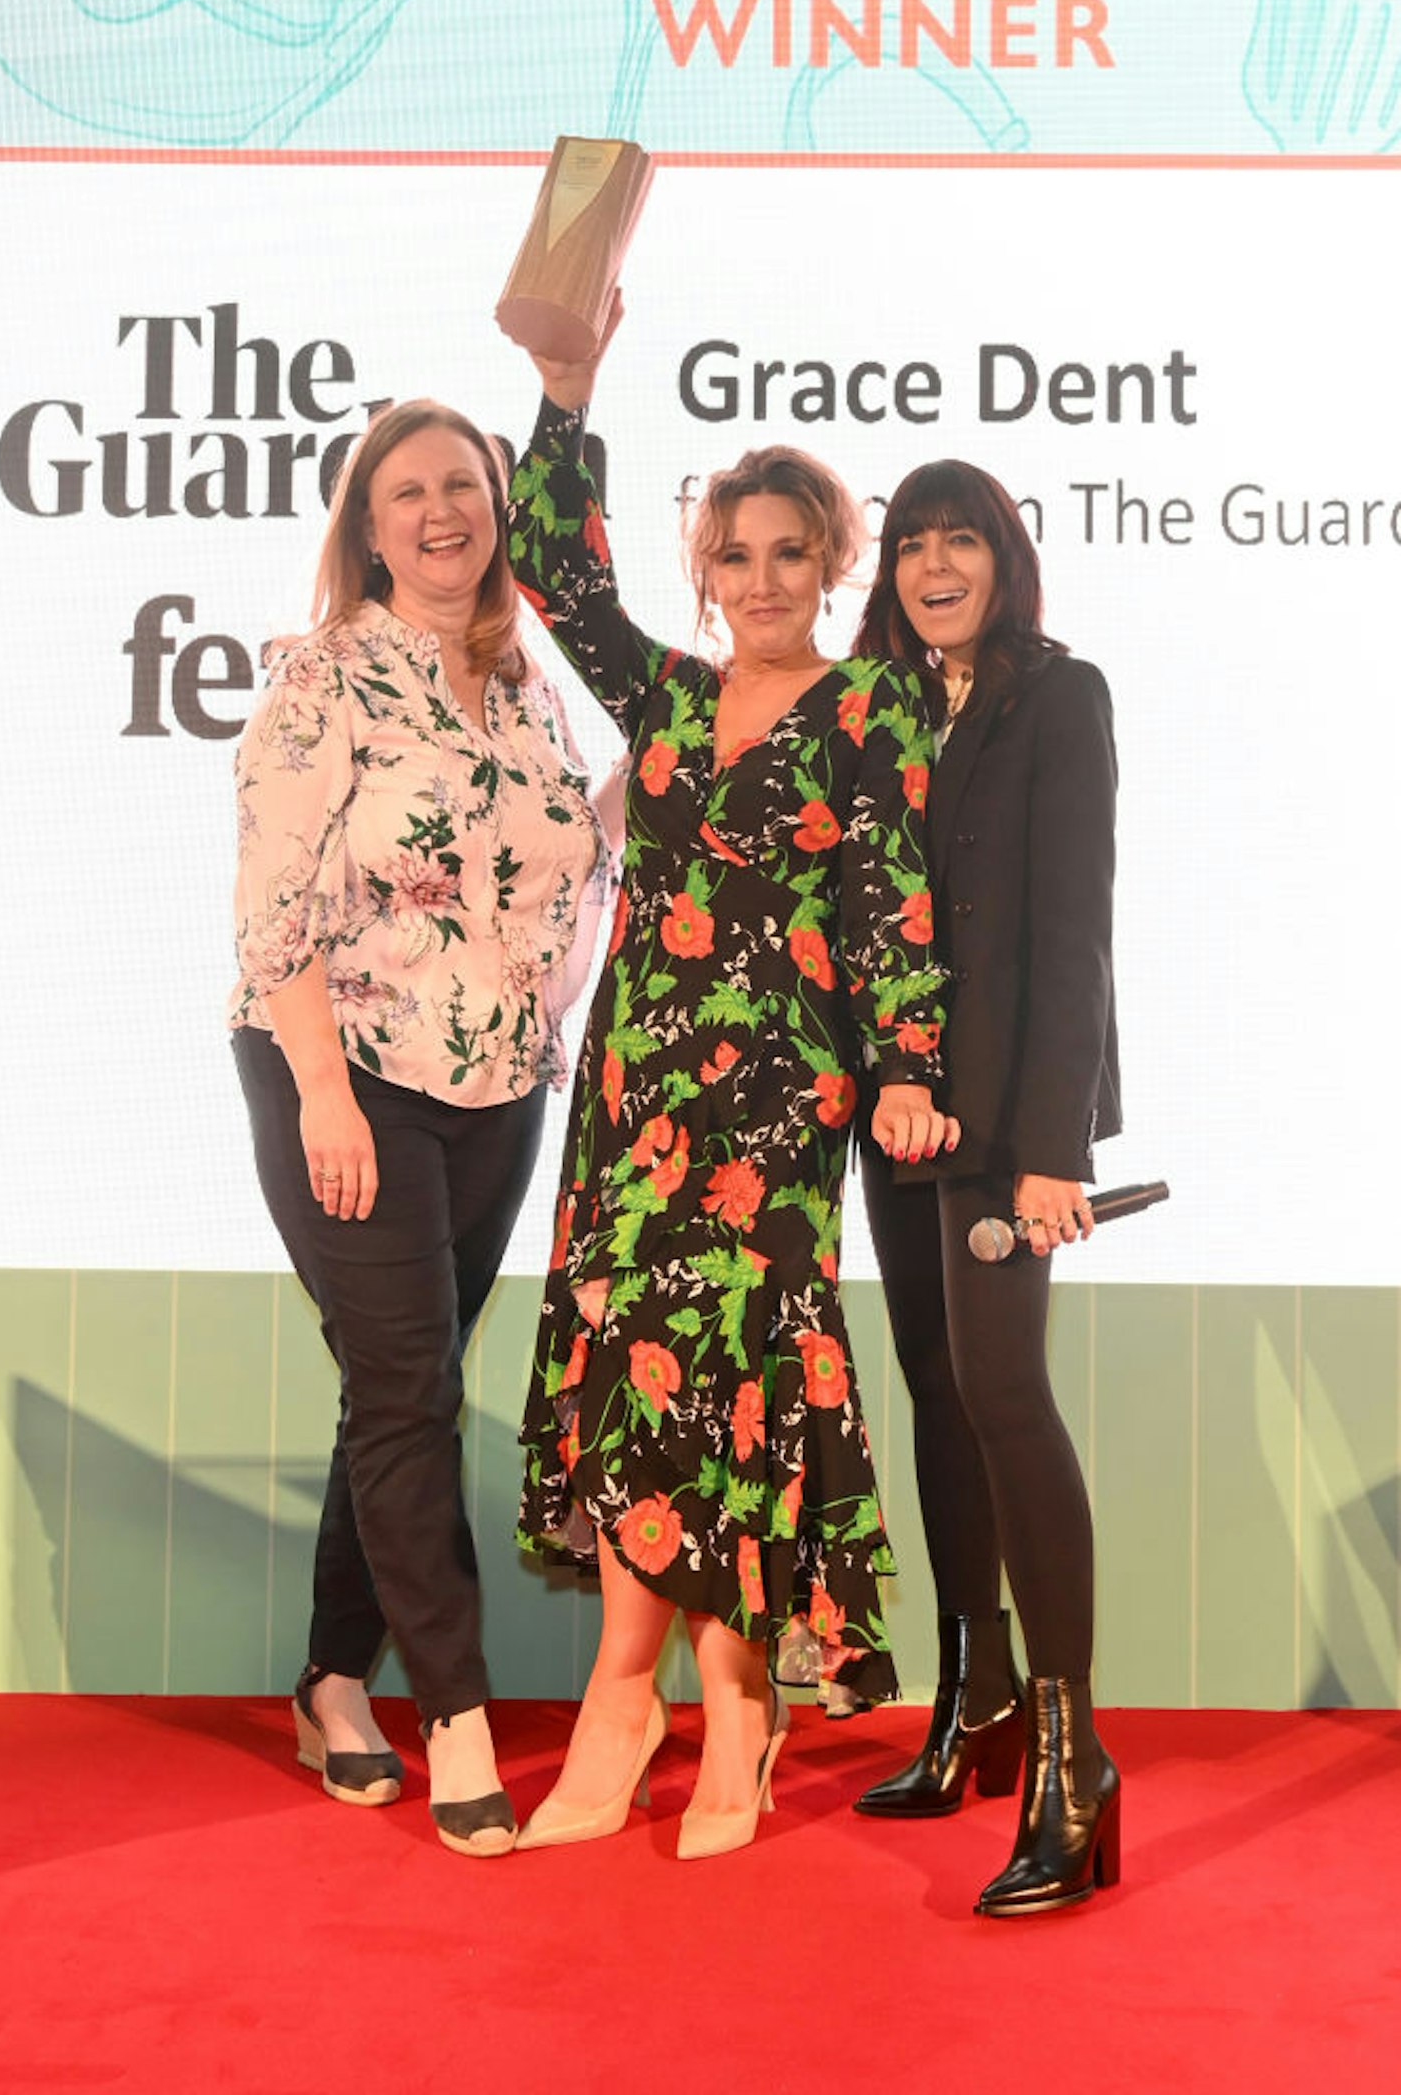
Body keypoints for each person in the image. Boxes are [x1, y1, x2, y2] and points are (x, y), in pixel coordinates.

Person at [503, 305, 955, 1860]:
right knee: (635, 1355)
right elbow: (553, 571)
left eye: (790, 552)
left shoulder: (874, 707)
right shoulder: (673, 698)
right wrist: (566, 390)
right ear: (706, 567)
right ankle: (622, 1697)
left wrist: (903, 1066)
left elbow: (894, 893)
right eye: (736, 554)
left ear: (834, 562)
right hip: (638, 1083)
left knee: (742, 1372)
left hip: (779, 1090)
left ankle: (737, 1694)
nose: (761, 580)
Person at [228, 397, 608, 1858]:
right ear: (366, 522)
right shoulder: (323, 676)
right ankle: (452, 1711)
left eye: (465, 484)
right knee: (404, 1390)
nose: (441, 509)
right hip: (345, 1069)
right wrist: (323, 1092)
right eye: (408, 490)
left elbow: (566, 848)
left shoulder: (526, 683)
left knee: (405, 1384)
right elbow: (272, 913)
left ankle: (333, 1680)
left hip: (498, 1084)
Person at [849, 458, 1122, 1916]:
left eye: (961, 539)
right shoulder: (885, 708)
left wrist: (1053, 1148)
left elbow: (1074, 927)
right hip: (897, 1119)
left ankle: (1074, 1765)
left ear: (1004, 557)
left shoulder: (1057, 697)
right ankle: (978, 1700)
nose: (933, 564)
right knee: (938, 1385)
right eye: (909, 544)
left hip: (1009, 1124)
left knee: (1006, 1392)